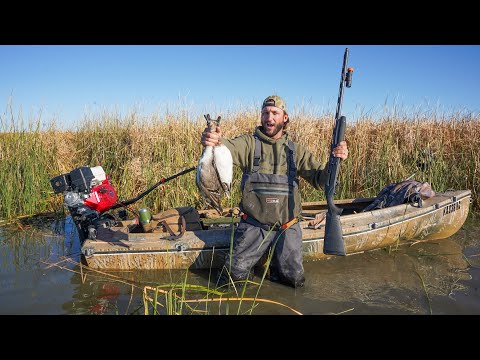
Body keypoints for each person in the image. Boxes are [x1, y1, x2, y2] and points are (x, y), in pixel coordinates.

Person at [200, 95, 348, 288]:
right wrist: (215, 140)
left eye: (274, 113)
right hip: (254, 226)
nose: (269, 118)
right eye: (265, 113)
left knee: (294, 280)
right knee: (232, 277)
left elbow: (321, 181)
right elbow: (225, 147)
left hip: (288, 226)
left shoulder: (296, 151)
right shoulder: (248, 144)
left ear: (284, 118)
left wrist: (336, 161)